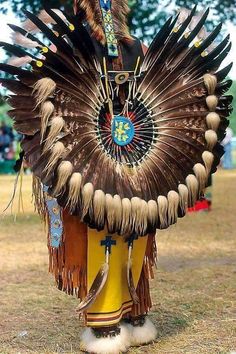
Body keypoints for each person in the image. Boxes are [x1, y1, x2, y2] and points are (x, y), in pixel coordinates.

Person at [0, 1, 232, 353]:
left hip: (110, 155)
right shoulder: (137, 48)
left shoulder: (91, 47)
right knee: (133, 225)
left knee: (116, 227)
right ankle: (133, 315)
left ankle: (108, 323)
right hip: (127, 160)